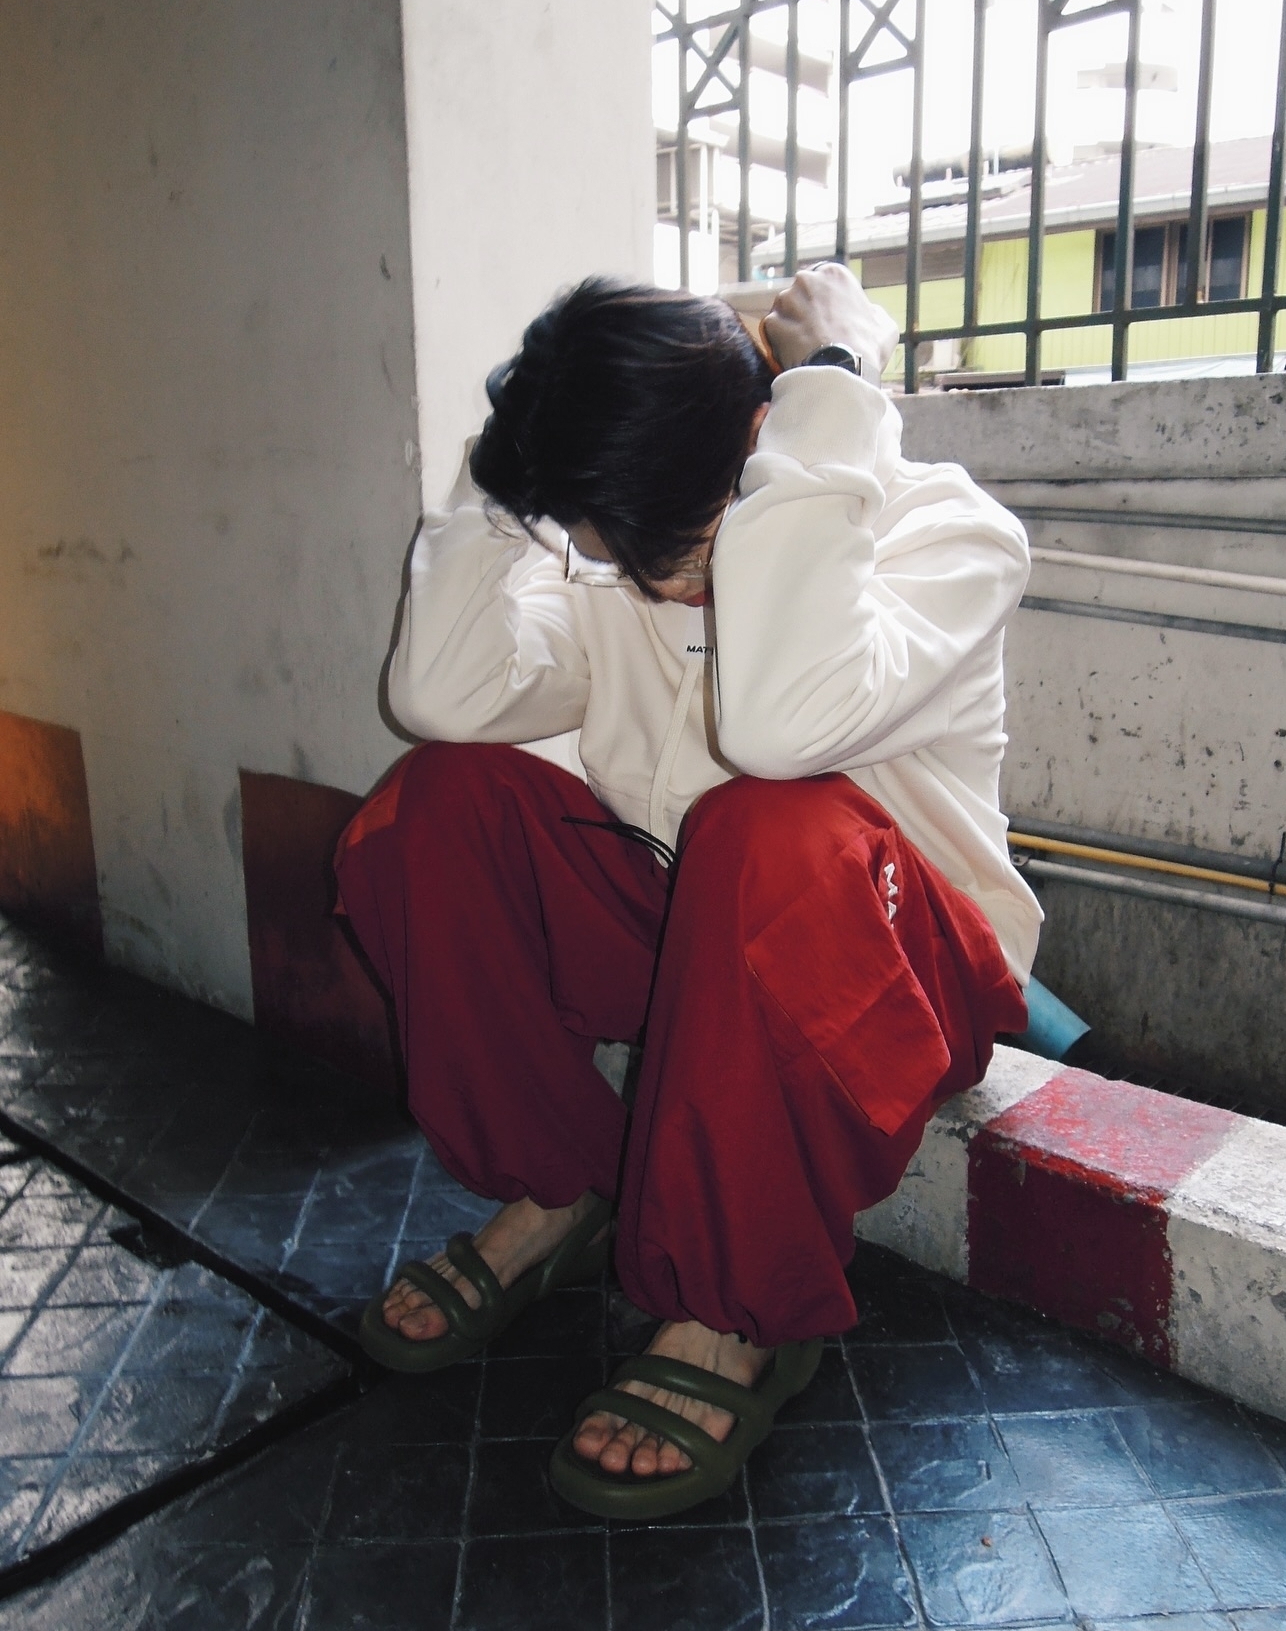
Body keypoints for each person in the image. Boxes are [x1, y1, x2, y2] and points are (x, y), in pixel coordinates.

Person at [334, 263, 1040, 1519]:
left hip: (898, 977)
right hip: (697, 946)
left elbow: (780, 728)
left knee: (766, 821)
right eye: (622, 550)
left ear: (769, 437)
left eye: (688, 543)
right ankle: (557, 1189)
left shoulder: (944, 535)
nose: (659, 581)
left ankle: (731, 1310)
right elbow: (440, 695)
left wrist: (830, 392)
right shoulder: (623, 559)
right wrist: (518, 458)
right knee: (439, 799)